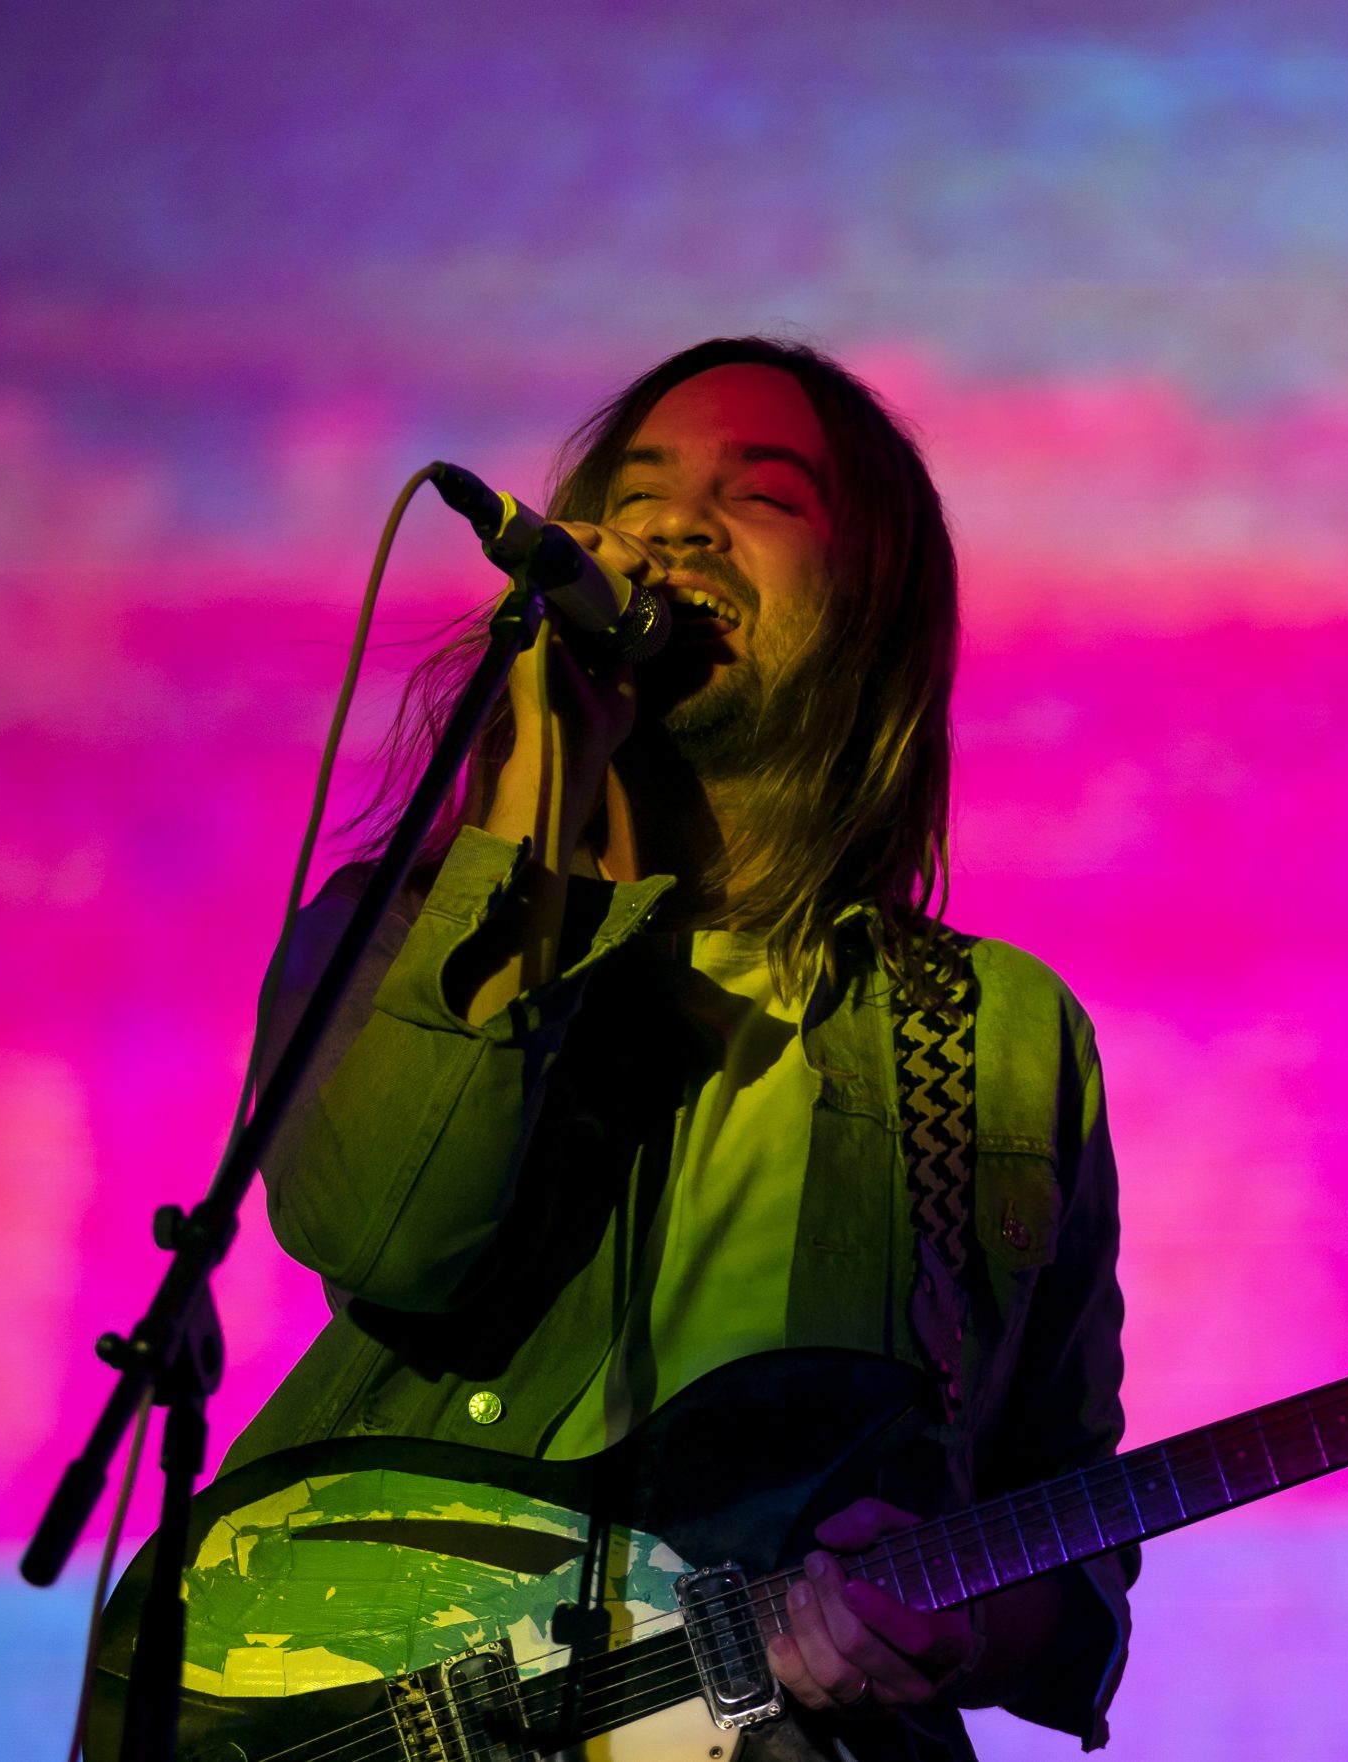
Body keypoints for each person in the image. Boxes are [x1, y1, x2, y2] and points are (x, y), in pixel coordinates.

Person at [225, 337, 1133, 1758]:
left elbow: (1075, 1558)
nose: (674, 524)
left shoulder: (1008, 1036)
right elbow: (385, 1232)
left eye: (762, 495)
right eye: (637, 490)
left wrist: (965, 1625)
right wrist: (539, 800)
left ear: (871, 608)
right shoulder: (400, 925)